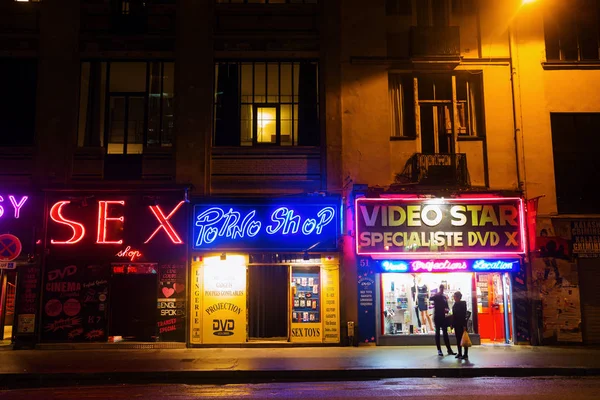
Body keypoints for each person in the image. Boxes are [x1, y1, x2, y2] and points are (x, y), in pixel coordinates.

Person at [430, 284, 456, 356]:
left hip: (443, 317)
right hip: (437, 316)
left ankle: (449, 350)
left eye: (442, 288)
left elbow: (446, 307)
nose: (442, 290)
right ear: (440, 288)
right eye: (441, 288)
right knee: (438, 333)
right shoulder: (437, 296)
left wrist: (447, 310)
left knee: (445, 333)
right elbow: (430, 298)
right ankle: (439, 350)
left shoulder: (444, 297)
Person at [452, 291, 469, 360]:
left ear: (458, 297)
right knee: (458, 339)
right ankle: (460, 353)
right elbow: (454, 315)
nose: (454, 298)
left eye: (455, 296)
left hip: (461, 324)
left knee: (464, 339)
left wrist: (464, 325)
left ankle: (465, 354)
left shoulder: (462, 304)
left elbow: (463, 315)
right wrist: (452, 324)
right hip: (456, 324)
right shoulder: (455, 304)